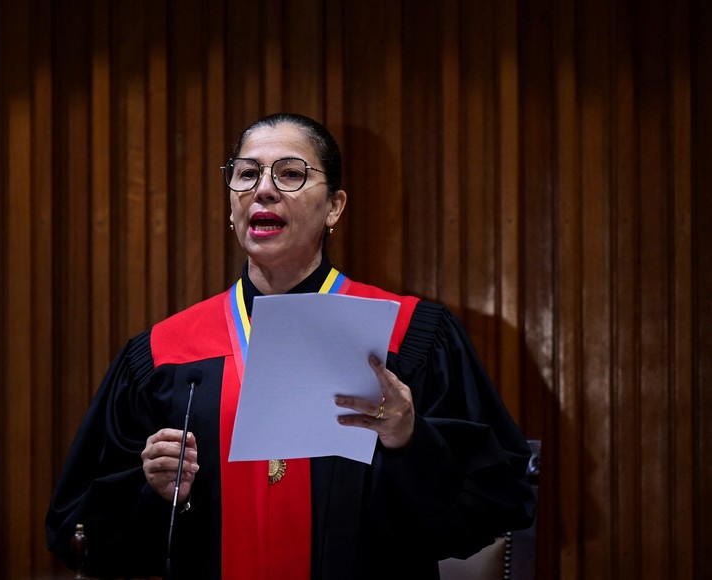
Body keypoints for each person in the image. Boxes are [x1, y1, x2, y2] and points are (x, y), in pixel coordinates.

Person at [46, 112, 537, 579]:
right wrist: (152, 490)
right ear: (231, 206)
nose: (263, 190)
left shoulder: (407, 337)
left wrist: (411, 439)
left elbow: (499, 498)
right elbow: (77, 532)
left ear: (335, 207)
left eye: (290, 174)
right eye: (246, 174)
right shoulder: (165, 353)